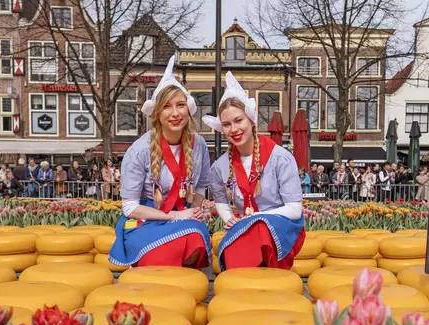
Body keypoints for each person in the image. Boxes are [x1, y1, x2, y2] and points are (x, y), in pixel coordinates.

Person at [108, 56, 211, 269]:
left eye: (180, 105)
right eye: (167, 107)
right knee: (163, 250)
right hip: (147, 221)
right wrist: (174, 215)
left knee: (196, 237)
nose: (175, 113)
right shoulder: (138, 150)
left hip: (183, 216)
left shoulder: (199, 144)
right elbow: (130, 207)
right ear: (157, 113)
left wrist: (196, 209)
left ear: (188, 108)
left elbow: (200, 186)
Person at [203, 71, 305, 271]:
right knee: (239, 246)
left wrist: (254, 218)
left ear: (251, 120)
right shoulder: (219, 167)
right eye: (227, 124)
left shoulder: (280, 158)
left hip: (281, 227)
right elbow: (221, 201)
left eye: (238, 120)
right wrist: (229, 218)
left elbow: (294, 210)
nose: (234, 129)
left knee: (261, 230)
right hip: (246, 226)